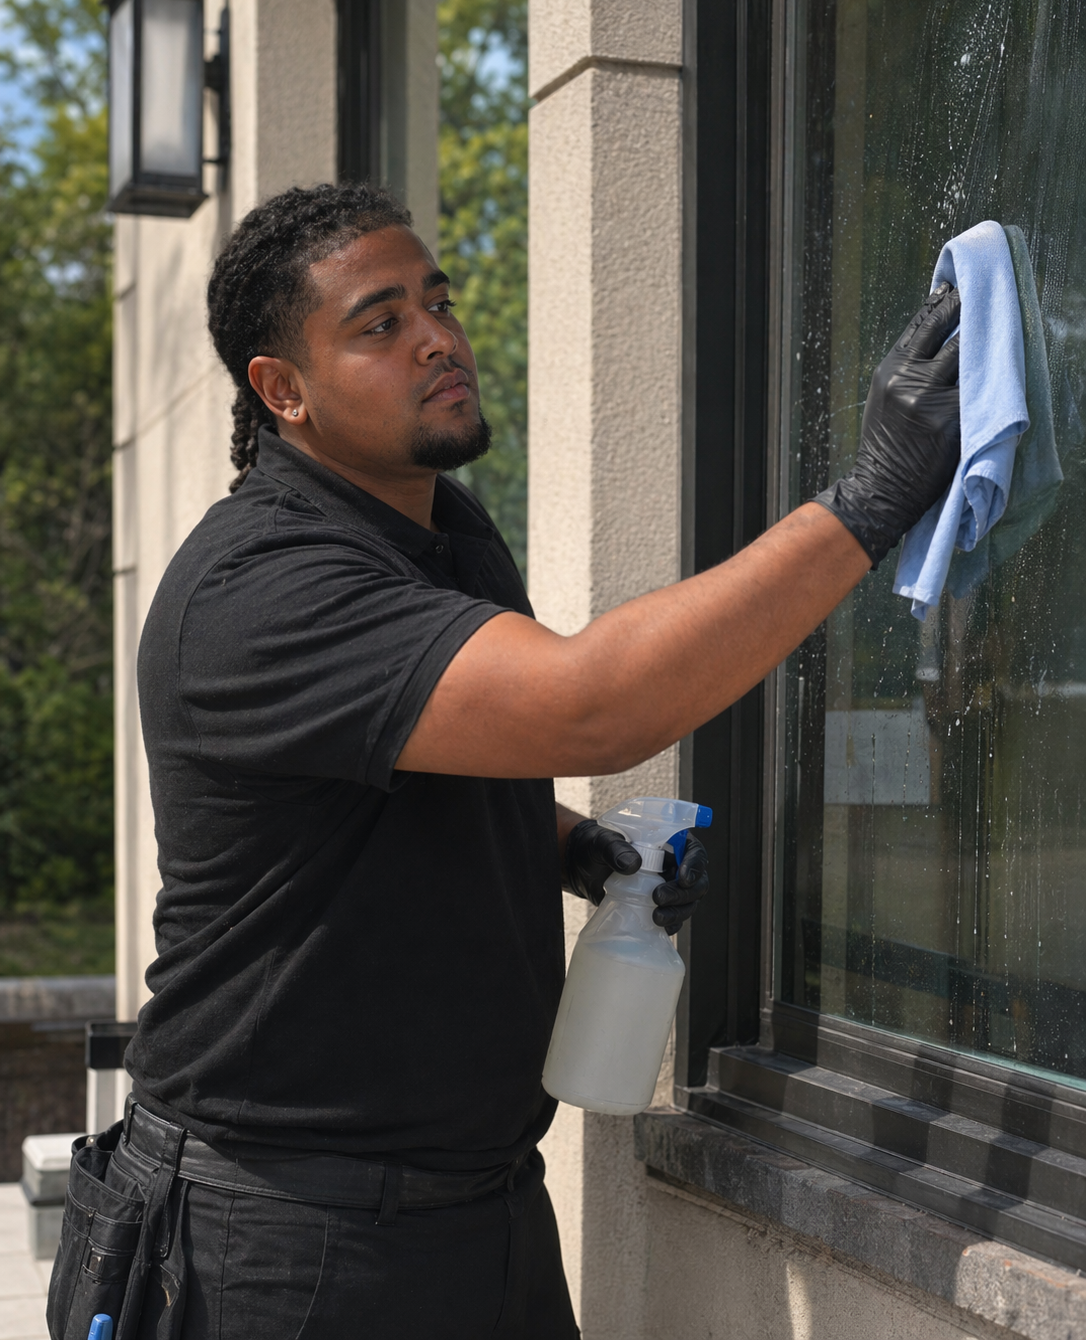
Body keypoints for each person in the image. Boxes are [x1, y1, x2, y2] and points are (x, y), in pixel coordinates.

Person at [49, 183, 960, 1340]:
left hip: (477, 1206)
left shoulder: (445, 531)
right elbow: (589, 707)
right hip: (280, 1240)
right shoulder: (261, 588)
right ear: (283, 391)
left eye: (437, 301)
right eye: (379, 323)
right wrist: (874, 494)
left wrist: (579, 849)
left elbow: (436, 770)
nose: (437, 335)